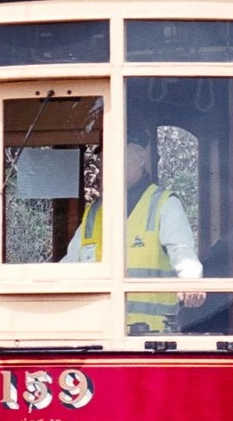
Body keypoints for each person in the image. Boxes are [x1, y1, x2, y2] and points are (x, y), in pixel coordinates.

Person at [64, 137, 206, 327]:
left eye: (117, 154)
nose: (107, 163)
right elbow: (70, 264)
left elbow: (182, 252)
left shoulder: (164, 203)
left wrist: (191, 282)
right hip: (99, 334)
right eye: (103, 157)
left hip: (151, 341)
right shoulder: (94, 211)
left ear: (140, 158)